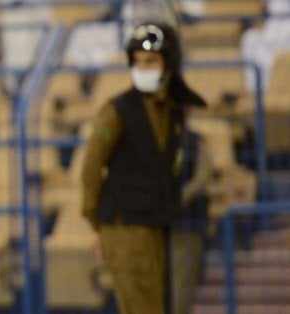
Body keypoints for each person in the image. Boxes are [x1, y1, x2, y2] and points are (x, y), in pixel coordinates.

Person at [81, 21, 205, 314]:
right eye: (137, 62)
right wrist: (95, 221)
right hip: (126, 225)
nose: (142, 68)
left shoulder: (174, 111)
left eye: (151, 61)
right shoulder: (117, 111)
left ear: (168, 64)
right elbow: (91, 165)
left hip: (158, 223)